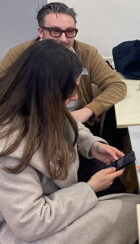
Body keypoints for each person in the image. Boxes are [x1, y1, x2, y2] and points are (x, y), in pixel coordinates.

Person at [0, 39, 139, 244]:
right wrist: (90, 188)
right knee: (133, 212)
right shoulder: (9, 148)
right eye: (70, 89)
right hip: (27, 234)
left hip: (59, 199)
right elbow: (29, 223)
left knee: (132, 209)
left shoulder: (41, 103)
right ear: (47, 88)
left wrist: (92, 145)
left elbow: (69, 123)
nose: (75, 97)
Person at [0, 2, 127, 148]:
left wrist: (88, 110)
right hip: (33, 127)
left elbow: (116, 85)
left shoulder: (86, 53)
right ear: (41, 31)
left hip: (77, 125)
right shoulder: (20, 54)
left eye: (70, 31)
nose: (64, 39)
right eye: (55, 31)